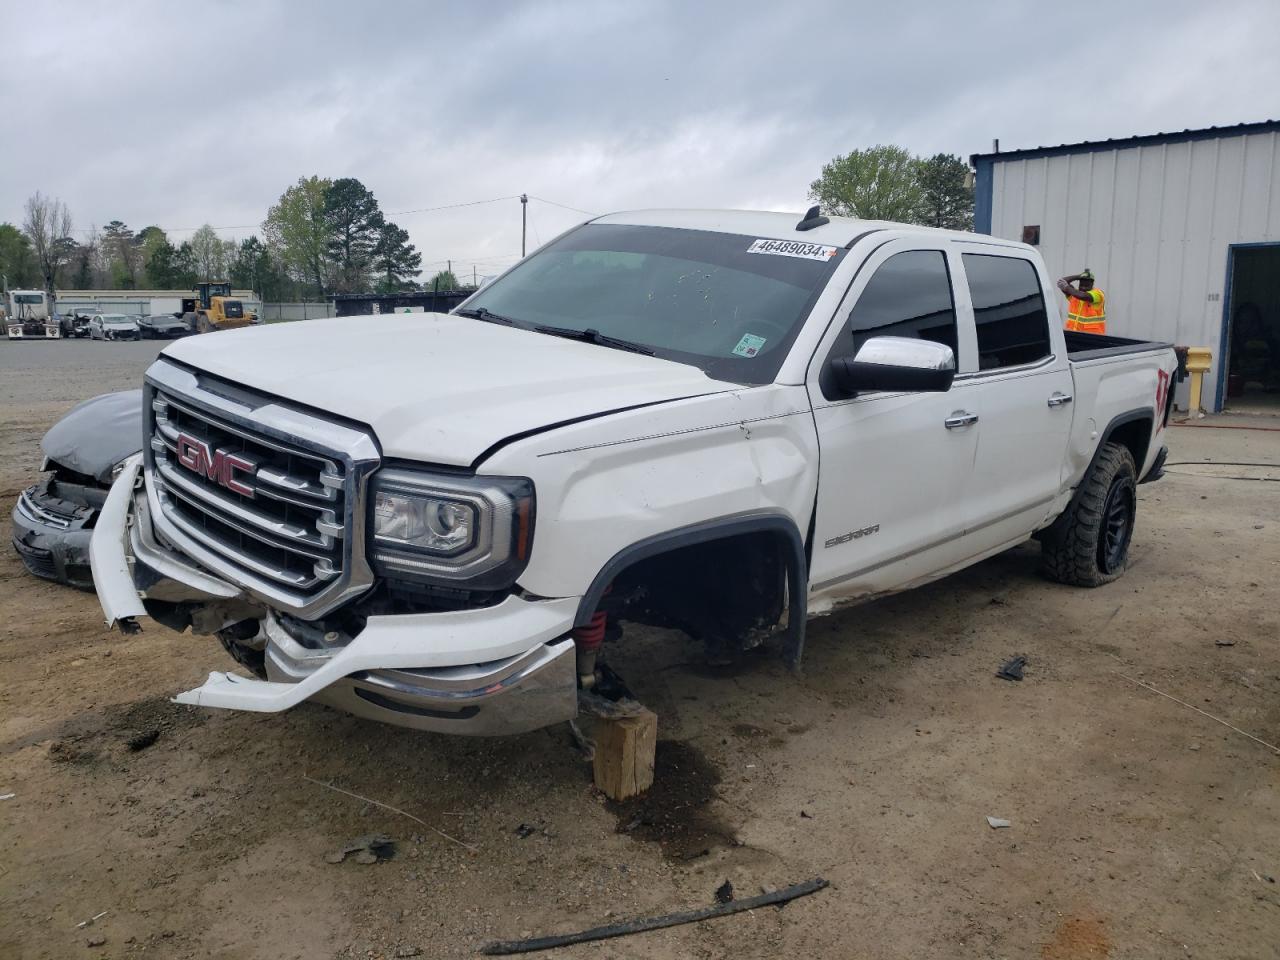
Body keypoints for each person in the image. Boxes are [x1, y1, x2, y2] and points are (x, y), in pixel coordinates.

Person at [1058, 269, 1106, 334]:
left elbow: (1083, 296)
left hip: (1093, 337)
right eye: (1081, 285)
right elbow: (1061, 282)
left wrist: (1066, 287)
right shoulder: (1075, 293)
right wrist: (1079, 276)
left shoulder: (1098, 294)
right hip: (1073, 334)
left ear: (1092, 284)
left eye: (1086, 286)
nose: (1083, 288)